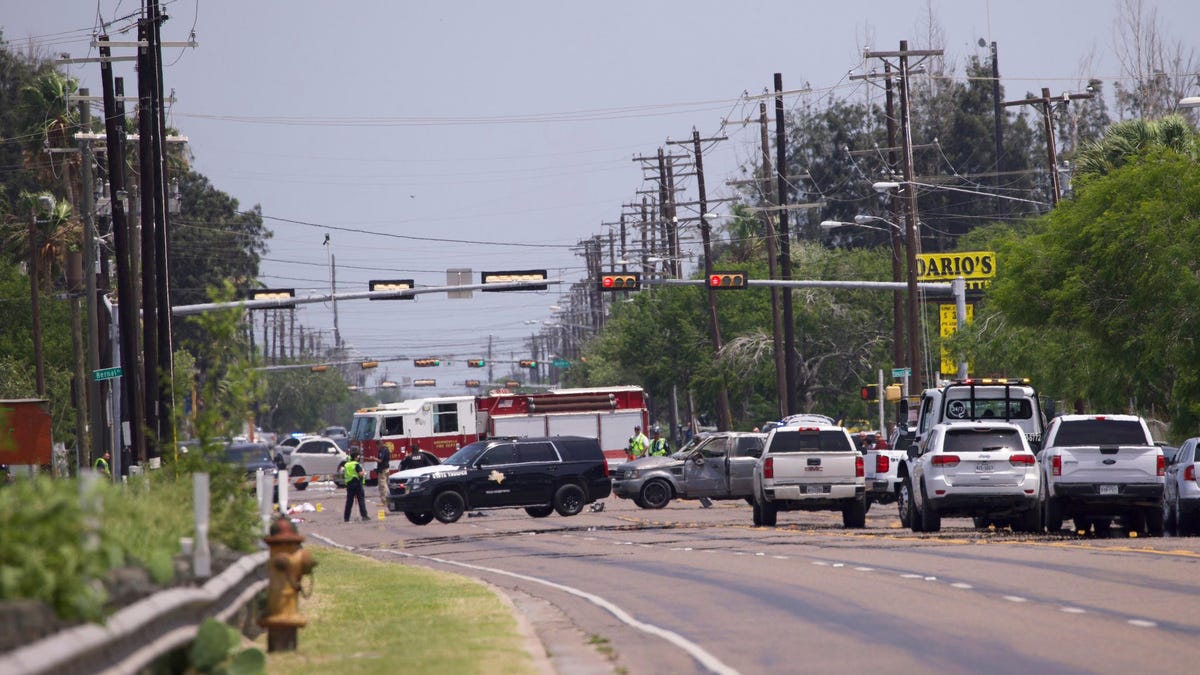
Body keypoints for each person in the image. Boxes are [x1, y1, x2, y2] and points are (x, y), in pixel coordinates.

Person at [343, 451, 369, 522]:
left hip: (349, 484)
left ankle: (346, 517)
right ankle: (364, 515)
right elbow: (360, 474)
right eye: (358, 456)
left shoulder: (347, 465)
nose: (359, 458)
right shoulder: (356, 464)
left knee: (349, 502)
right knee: (361, 500)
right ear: (355, 457)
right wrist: (364, 473)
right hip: (357, 484)